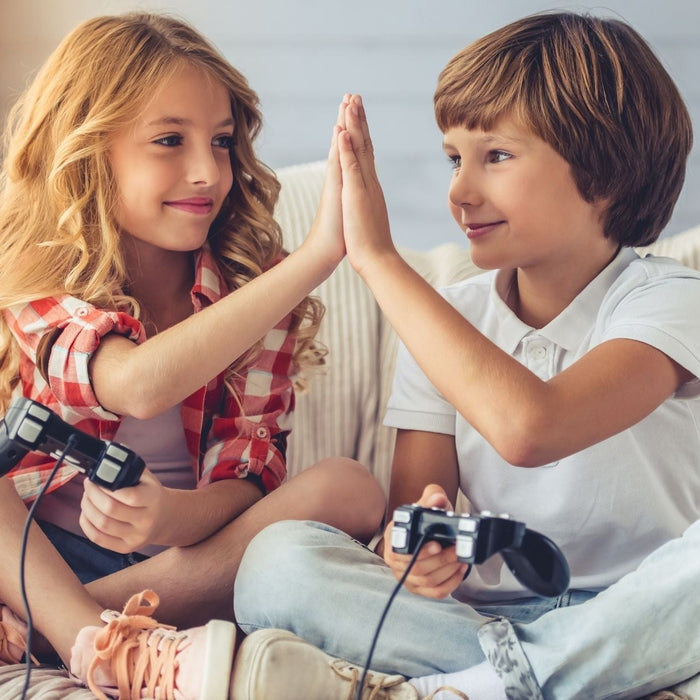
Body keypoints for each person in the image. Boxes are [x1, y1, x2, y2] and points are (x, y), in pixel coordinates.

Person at [232, 11, 700, 700]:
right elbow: (409, 514)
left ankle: (483, 684)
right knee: (274, 563)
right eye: (455, 158)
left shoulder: (670, 298)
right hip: (481, 619)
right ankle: (532, 677)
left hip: (641, 610)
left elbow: (531, 429)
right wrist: (412, 554)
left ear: (606, 171)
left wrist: (379, 261)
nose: (459, 191)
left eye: (496, 156)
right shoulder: (450, 316)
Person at [0, 12, 385, 700]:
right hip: (41, 560)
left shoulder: (251, 284)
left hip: (184, 561)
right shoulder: (37, 281)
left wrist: (166, 516)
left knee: (348, 488)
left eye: (223, 142)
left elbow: (248, 475)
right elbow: (135, 385)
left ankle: (56, 632)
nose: (207, 171)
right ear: (89, 151)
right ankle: (91, 636)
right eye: (169, 141)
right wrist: (321, 255)